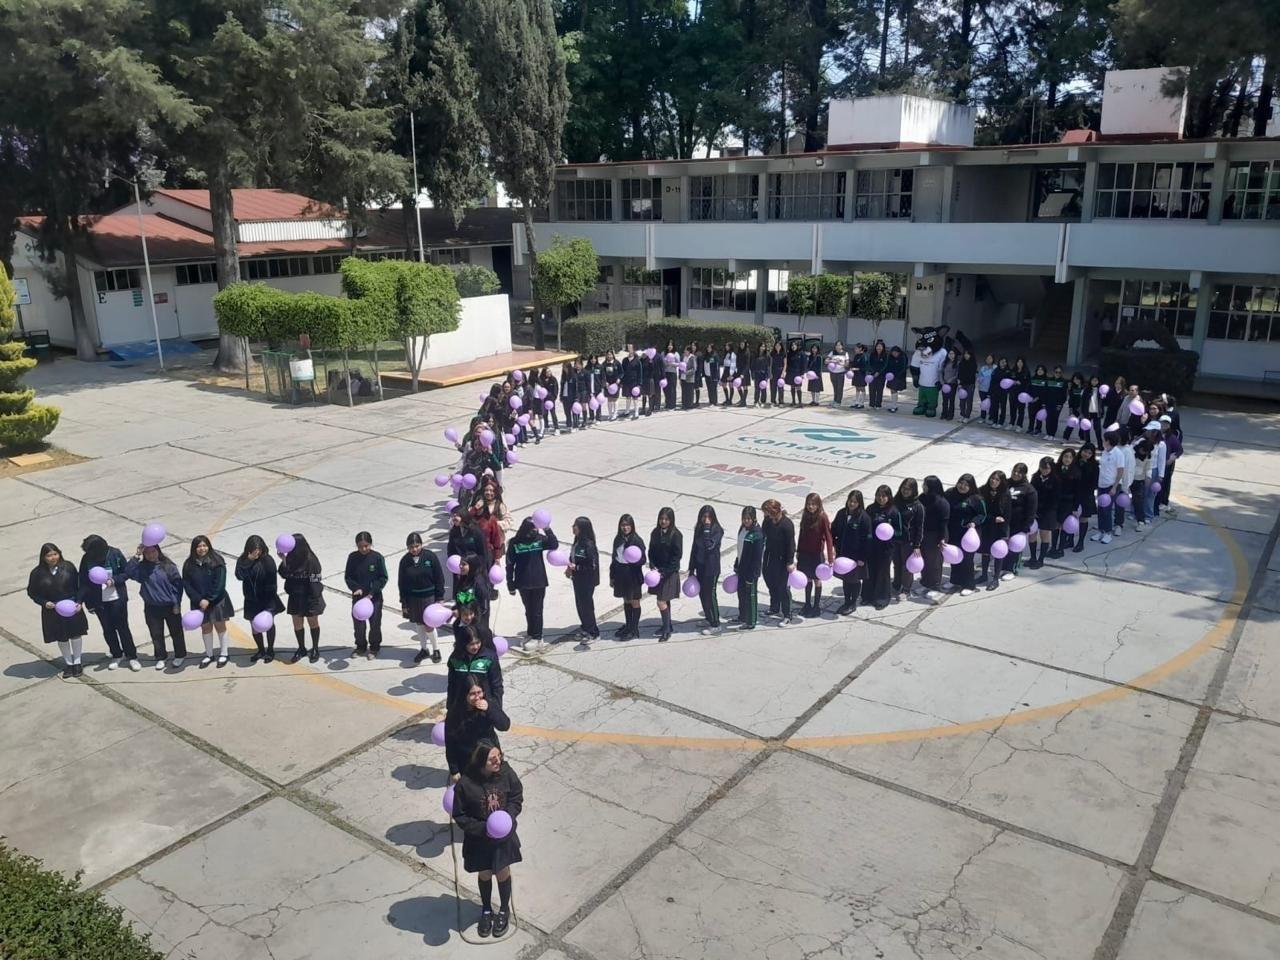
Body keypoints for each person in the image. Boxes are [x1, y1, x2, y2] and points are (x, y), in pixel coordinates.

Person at [452, 737, 523, 939]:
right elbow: (460, 815)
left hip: (503, 837)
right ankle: (486, 909)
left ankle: (503, 910)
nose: (498, 761)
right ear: (481, 760)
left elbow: (516, 796)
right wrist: (484, 829)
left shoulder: (506, 773)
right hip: (480, 839)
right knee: (484, 873)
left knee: (502, 871)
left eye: (499, 756)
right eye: (492, 759)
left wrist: (507, 818)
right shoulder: (465, 785)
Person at [28, 543, 89, 677]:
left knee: (75, 634)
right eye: (49, 555)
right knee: (61, 637)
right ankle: (69, 664)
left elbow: (80, 585)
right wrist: (44, 603)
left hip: (71, 607)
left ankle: (77, 662)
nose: (53, 558)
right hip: (52, 610)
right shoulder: (37, 573)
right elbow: (32, 592)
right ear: (43, 557)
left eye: (55, 554)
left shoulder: (68, 567)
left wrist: (79, 601)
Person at [78, 534, 138, 671]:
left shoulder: (115, 554)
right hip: (99, 602)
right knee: (108, 629)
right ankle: (116, 654)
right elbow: (83, 581)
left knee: (123, 628)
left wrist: (114, 580)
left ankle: (132, 656)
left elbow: (126, 573)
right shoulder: (87, 559)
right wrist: (87, 603)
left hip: (117, 599)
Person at [122, 543, 186, 669]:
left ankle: (180, 655)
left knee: (176, 632)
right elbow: (128, 572)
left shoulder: (168, 567)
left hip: (170, 606)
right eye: (147, 553)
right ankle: (161, 657)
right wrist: (137, 555)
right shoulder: (142, 569)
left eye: (153, 551)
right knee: (156, 634)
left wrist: (176, 603)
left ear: (158, 551)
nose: (151, 555)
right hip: (152, 607)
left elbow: (178, 586)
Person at [183, 535, 236, 668]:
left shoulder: (217, 561)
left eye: (204, 545)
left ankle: (224, 654)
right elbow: (187, 584)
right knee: (205, 627)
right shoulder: (188, 564)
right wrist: (198, 599)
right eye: (199, 546)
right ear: (194, 548)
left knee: (220, 626)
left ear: (209, 546)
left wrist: (209, 599)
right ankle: (209, 655)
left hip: (216, 601)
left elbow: (220, 584)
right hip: (199, 603)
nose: (202, 549)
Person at [506, 517, 557, 652]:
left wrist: (547, 529)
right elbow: (510, 565)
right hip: (522, 582)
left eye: (536, 528)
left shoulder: (539, 539)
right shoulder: (515, 543)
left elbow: (554, 544)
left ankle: (538, 638)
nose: (535, 530)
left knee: (537, 610)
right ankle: (531, 633)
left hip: (539, 581)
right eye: (533, 528)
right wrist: (510, 584)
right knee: (528, 609)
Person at [235, 534, 284, 663]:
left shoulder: (267, 560)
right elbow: (239, 576)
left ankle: (270, 650)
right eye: (254, 550)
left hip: (267, 599)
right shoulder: (243, 560)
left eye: (259, 549)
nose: (257, 552)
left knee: (268, 624)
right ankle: (261, 650)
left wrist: (268, 604)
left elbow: (272, 582)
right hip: (251, 600)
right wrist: (249, 560)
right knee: (255, 626)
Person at [399, 532, 445, 663]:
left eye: (417, 546)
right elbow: (402, 583)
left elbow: (439, 577)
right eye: (411, 547)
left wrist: (440, 597)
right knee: (419, 623)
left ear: (421, 545)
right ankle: (424, 649)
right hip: (413, 598)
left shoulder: (430, 557)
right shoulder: (405, 561)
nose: (414, 549)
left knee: (429, 625)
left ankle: (436, 649)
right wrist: (404, 602)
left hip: (429, 597)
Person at [280, 533, 325, 664]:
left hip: (310, 597)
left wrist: (314, 598)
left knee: (313, 622)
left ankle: (315, 648)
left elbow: (316, 580)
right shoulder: (290, 558)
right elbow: (283, 573)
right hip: (295, 596)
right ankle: (301, 648)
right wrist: (283, 560)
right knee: (297, 623)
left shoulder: (311, 560)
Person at [344, 531, 388, 660]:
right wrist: (355, 588)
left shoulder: (377, 558)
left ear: (371, 544)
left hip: (374, 598)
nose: (363, 549)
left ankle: (374, 647)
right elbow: (348, 576)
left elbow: (383, 578)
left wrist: (372, 591)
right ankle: (360, 646)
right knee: (358, 624)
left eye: (366, 546)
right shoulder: (352, 557)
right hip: (358, 598)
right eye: (360, 546)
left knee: (375, 624)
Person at [447, 621, 504, 711]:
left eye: (478, 642)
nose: (476, 647)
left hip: (484, 705)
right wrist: (450, 707)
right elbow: (452, 685)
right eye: (471, 644)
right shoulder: (455, 658)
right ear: (463, 644)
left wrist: (494, 708)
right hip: (462, 707)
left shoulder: (489, 657)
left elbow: (497, 686)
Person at [831, 491, 871, 614]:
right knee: (845, 578)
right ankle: (846, 601)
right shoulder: (841, 513)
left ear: (859, 503)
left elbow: (867, 539)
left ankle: (853, 603)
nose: (852, 504)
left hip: (856, 556)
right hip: (843, 553)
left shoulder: (864, 517)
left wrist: (862, 558)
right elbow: (833, 530)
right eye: (850, 501)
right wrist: (833, 545)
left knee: (854, 579)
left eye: (855, 502)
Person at [945, 474, 985, 595]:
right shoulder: (950, 493)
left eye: (966, 485)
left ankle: (969, 585)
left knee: (967, 560)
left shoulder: (976, 499)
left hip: (968, 534)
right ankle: (955, 580)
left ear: (971, 487)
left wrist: (974, 523)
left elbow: (982, 515)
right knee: (954, 556)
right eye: (960, 483)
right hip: (953, 531)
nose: (962, 486)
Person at [647, 507, 683, 641]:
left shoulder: (676, 535)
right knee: (665, 600)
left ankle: (667, 630)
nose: (663, 521)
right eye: (661, 518)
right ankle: (667, 625)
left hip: (669, 573)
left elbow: (677, 556)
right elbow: (651, 550)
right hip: (657, 572)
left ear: (671, 520)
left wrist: (665, 572)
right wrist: (652, 564)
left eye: (666, 519)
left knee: (661, 601)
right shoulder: (655, 532)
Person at [796, 492, 835, 617]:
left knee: (817, 579)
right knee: (807, 578)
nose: (811, 507)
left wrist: (830, 558)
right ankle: (807, 604)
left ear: (818, 505)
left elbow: (829, 538)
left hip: (817, 554)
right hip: (805, 553)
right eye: (808, 504)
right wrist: (798, 551)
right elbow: (801, 534)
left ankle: (816, 606)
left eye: (813, 504)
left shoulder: (822, 517)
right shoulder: (805, 515)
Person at [761, 499, 798, 624]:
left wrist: (790, 562)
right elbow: (763, 536)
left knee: (783, 587)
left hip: (782, 560)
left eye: (767, 512)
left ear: (775, 511)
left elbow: (791, 545)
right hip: (769, 557)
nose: (766, 515)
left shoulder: (787, 524)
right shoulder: (767, 521)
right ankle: (774, 607)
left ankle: (787, 614)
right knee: (770, 582)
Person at [688, 505, 724, 634]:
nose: (706, 519)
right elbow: (694, 548)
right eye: (704, 516)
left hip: (711, 568)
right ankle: (709, 618)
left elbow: (709, 546)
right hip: (700, 566)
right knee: (702, 594)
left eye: (708, 517)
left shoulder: (717, 530)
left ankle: (716, 623)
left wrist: (707, 529)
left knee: (710, 595)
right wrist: (691, 568)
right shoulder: (698, 529)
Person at [610, 514, 646, 639]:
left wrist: (634, 561)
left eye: (627, 525)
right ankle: (628, 625)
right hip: (620, 573)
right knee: (626, 600)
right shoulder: (618, 539)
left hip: (633, 574)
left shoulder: (637, 540)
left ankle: (634, 629)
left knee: (634, 601)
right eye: (623, 525)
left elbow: (643, 559)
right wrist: (612, 576)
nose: (625, 528)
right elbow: (614, 558)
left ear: (632, 526)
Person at [864, 485, 900, 609]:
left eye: (884, 496)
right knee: (870, 571)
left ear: (889, 497)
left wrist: (890, 535)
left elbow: (899, 531)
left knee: (883, 573)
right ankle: (868, 596)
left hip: (886, 548)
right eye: (878, 495)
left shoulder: (894, 511)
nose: (881, 498)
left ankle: (881, 599)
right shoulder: (870, 509)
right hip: (872, 546)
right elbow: (866, 526)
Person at [566, 516, 600, 646]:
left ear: (582, 528)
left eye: (575, 525)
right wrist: (569, 568)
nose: (573, 527)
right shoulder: (577, 542)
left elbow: (592, 566)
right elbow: (573, 557)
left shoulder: (589, 545)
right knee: (580, 605)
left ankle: (593, 632)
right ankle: (585, 628)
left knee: (587, 606)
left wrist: (577, 568)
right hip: (577, 579)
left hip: (587, 580)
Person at [733, 506, 766, 629]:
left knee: (750, 596)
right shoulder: (742, 529)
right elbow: (740, 548)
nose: (746, 521)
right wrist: (737, 563)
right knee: (741, 594)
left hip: (751, 571)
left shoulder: (757, 534)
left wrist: (753, 575)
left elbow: (757, 557)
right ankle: (742, 616)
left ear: (754, 518)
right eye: (744, 518)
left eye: (748, 518)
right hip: (741, 567)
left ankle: (751, 621)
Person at [977, 471, 1011, 591]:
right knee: (985, 551)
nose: (993, 481)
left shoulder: (1005, 494)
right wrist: (992, 519)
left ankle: (995, 579)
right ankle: (984, 575)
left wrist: (1004, 532)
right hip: (986, 525)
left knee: (998, 552)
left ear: (1001, 482)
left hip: (999, 528)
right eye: (992, 478)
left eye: (997, 480)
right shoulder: (982, 490)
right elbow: (980, 510)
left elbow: (1007, 514)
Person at [918, 477, 950, 599]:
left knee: (934, 562)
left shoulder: (942, 502)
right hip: (923, 533)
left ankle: (935, 585)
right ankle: (925, 583)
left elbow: (943, 522)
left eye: (925, 484)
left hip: (936, 535)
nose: (923, 486)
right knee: (924, 560)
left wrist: (941, 538)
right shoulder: (922, 498)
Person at [893, 478, 925, 599]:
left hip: (909, 541)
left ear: (913, 491)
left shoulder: (918, 506)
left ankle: (906, 589)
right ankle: (896, 584)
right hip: (895, 539)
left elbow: (919, 527)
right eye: (903, 488)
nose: (905, 491)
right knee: (896, 563)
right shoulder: (895, 501)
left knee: (907, 566)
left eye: (908, 489)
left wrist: (917, 545)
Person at [1004, 463, 1038, 578]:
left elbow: (1031, 511)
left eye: (1019, 472)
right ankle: (1003, 567)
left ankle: (1012, 570)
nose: (1016, 474)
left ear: (1024, 474)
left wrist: (1026, 527)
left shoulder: (1029, 489)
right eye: (1014, 471)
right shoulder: (1005, 483)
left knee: (1015, 546)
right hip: (1005, 522)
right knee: (1004, 545)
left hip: (1019, 523)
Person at [1028, 457, 1059, 569]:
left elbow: (1055, 498)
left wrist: (1044, 509)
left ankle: (1041, 559)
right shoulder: (1035, 477)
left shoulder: (1056, 480)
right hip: (1035, 510)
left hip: (1048, 511)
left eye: (1047, 468)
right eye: (1042, 467)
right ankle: (1032, 558)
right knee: (1032, 535)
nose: (1044, 470)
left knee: (1044, 535)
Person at [1051, 448, 1081, 557]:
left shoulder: (1076, 472)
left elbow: (1078, 492)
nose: (1067, 459)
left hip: (1068, 503)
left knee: (1064, 525)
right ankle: (1053, 547)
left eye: (1070, 457)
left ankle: (1061, 548)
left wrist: (1075, 507)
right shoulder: (1055, 469)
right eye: (1065, 456)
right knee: (1055, 525)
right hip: (1056, 502)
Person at [1074, 443, 1099, 551]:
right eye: (1085, 451)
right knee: (1071, 517)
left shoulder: (1094, 466)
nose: (1086, 454)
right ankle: (1069, 540)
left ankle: (1080, 542)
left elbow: (1095, 483)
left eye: (1089, 453)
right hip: (1073, 494)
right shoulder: (1074, 461)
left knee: (1083, 518)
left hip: (1086, 495)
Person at [620, 345, 642, 420]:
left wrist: (639, 384)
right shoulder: (624, 360)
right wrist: (621, 382)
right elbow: (622, 372)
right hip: (626, 382)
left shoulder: (637, 361)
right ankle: (627, 411)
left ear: (633, 350)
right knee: (627, 396)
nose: (629, 350)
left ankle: (636, 412)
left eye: (631, 348)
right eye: (628, 349)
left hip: (635, 382)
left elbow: (640, 373)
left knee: (635, 397)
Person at [866, 340, 888, 409]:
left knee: (879, 390)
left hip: (881, 375)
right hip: (872, 374)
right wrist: (873, 372)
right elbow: (869, 363)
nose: (879, 348)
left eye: (880, 346)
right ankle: (871, 404)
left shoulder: (885, 355)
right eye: (877, 346)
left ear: (883, 347)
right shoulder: (872, 354)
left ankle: (878, 404)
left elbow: (885, 365)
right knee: (872, 389)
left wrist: (878, 372)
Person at [826, 341, 849, 407]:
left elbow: (847, 364)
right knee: (835, 387)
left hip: (841, 373)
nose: (838, 347)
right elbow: (826, 361)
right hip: (833, 373)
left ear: (842, 346)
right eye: (836, 345)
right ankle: (835, 400)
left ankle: (838, 402)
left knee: (840, 388)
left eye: (839, 345)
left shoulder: (845, 353)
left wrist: (840, 363)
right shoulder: (832, 352)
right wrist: (833, 361)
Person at [938, 349, 959, 421]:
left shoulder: (957, 363)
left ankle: (950, 415)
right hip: (945, 384)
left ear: (955, 355)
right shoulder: (944, 362)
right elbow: (941, 372)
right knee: (945, 400)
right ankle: (944, 413)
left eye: (952, 353)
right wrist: (942, 381)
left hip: (953, 384)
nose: (951, 355)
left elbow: (957, 374)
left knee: (951, 400)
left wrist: (951, 379)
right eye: (950, 353)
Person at [957, 347, 977, 422]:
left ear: (971, 355)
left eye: (968, 354)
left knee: (969, 400)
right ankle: (962, 415)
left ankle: (967, 416)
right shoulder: (961, 363)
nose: (966, 355)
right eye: (965, 354)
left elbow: (971, 375)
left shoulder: (973, 364)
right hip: (962, 384)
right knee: (962, 400)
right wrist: (959, 384)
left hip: (970, 384)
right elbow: (959, 374)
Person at [885, 345, 907, 412]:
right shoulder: (890, 357)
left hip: (899, 377)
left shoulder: (902, 357)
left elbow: (903, 368)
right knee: (892, 390)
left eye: (896, 352)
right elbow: (887, 366)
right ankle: (894, 405)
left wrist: (897, 375)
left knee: (894, 389)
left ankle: (894, 406)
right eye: (893, 352)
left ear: (899, 352)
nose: (894, 354)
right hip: (891, 376)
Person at [977, 354, 996, 425]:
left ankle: (991, 418)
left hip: (992, 390)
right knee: (983, 404)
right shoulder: (983, 368)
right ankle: (983, 417)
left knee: (992, 404)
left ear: (993, 359)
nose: (988, 360)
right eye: (987, 358)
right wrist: (979, 379)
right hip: (982, 389)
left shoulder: (995, 368)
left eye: (990, 358)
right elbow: (979, 377)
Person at [785, 340, 804, 406]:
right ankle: (793, 401)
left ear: (797, 346)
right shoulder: (789, 354)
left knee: (798, 387)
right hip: (791, 372)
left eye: (794, 345)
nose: (793, 346)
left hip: (798, 373)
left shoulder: (801, 353)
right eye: (792, 345)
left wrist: (802, 373)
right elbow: (787, 363)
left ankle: (800, 402)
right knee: (792, 387)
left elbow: (803, 364)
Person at [849, 343, 868, 409]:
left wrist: (856, 369)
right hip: (856, 374)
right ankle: (856, 402)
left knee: (862, 388)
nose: (855, 350)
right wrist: (850, 364)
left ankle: (862, 403)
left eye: (856, 348)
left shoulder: (864, 356)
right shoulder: (856, 356)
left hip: (861, 375)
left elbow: (865, 367)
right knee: (857, 388)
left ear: (860, 349)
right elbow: (854, 363)